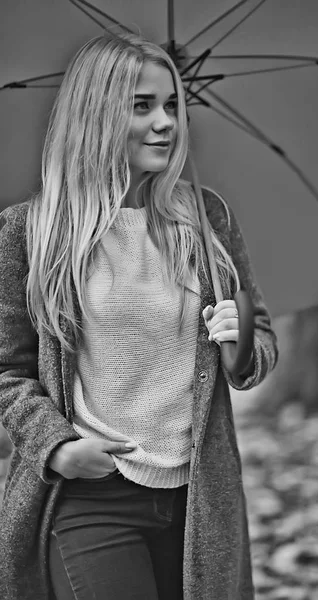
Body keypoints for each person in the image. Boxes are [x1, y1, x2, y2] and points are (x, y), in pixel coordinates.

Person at [0, 32, 278, 600]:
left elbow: (257, 340)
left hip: (198, 499)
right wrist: (55, 446)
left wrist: (242, 340)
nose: (165, 124)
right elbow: (6, 369)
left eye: (172, 106)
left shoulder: (207, 220)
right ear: (98, 113)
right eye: (142, 106)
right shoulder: (33, 233)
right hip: (90, 497)